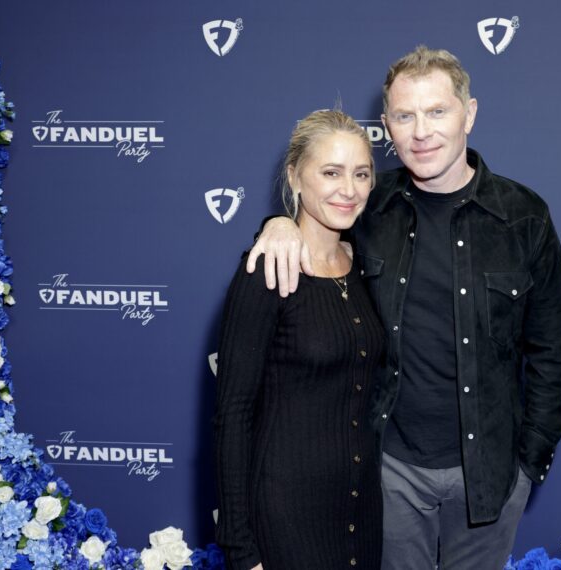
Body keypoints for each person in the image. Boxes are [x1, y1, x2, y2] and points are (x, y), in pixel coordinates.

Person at [248, 46, 561, 570]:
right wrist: (276, 224)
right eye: (405, 116)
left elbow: (552, 354)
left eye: (437, 112)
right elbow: (311, 222)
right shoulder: (368, 206)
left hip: (490, 473)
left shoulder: (524, 217)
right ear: (387, 127)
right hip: (387, 470)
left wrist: (528, 465)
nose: (421, 132)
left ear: (468, 114)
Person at [214, 109, 384, 570]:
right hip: (285, 519)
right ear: (295, 177)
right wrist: (241, 548)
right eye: (330, 172)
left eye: (361, 174)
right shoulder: (266, 271)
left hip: (362, 513)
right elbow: (232, 415)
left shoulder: (369, 265)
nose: (348, 190)